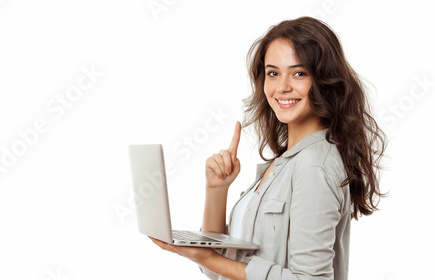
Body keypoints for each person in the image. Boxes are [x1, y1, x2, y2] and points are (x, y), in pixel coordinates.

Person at [150, 16, 386, 280]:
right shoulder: (283, 164)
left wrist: (206, 257)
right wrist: (217, 191)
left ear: (324, 80)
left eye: (299, 73)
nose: (282, 87)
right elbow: (217, 268)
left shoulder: (313, 166)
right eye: (273, 73)